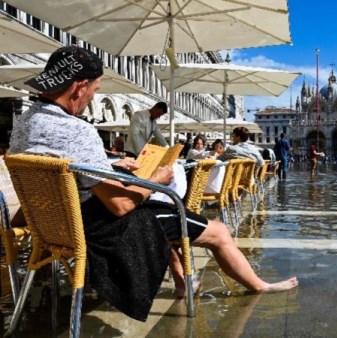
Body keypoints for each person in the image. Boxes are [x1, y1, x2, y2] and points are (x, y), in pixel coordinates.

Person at [9, 46, 297, 322]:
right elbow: (121, 205)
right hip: (97, 229)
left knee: (162, 215)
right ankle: (259, 285)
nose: (92, 99)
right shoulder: (77, 129)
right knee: (215, 230)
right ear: (79, 87)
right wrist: (155, 179)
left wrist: (109, 165)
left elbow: (59, 163)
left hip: (54, 224)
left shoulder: (25, 122)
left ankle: (183, 281)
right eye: (95, 91)